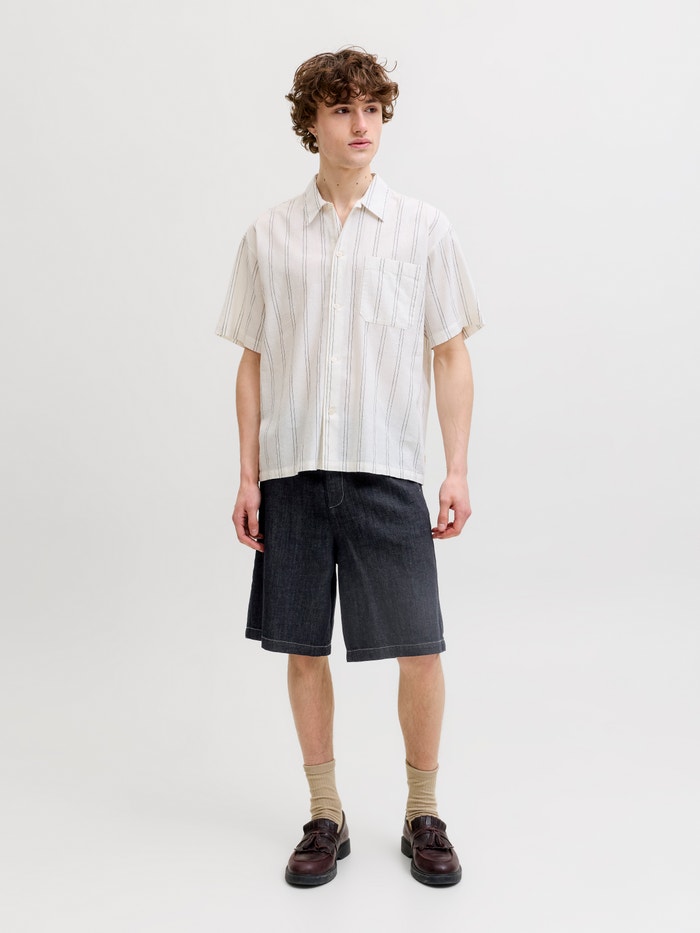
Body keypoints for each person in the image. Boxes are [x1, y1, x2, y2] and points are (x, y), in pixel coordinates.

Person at [216, 48, 483, 887]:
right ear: (312, 123)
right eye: (341, 109)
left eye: (371, 107)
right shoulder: (269, 234)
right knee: (303, 648)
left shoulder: (423, 229)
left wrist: (456, 469)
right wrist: (249, 474)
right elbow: (253, 360)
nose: (360, 123)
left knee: (420, 648)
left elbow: (450, 354)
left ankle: (422, 812)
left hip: (387, 467)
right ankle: (324, 813)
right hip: (294, 472)